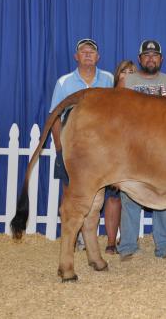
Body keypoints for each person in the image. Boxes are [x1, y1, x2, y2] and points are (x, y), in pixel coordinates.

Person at [118, 39, 166, 261]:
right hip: (133, 149)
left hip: (164, 150)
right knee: (130, 196)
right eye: (146, 55)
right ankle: (127, 246)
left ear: (161, 59)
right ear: (139, 59)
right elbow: (115, 114)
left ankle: (165, 247)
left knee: (163, 197)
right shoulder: (127, 81)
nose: (150, 58)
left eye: (154, 55)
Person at [49, 38, 113, 251]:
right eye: (83, 51)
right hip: (73, 146)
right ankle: (72, 238)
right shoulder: (64, 82)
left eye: (91, 52)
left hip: (101, 146)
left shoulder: (108, 79)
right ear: (76, 57)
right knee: (71, 192)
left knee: (98, 193)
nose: (87, 54)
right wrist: (60, 147)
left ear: (98, 57)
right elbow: (55, 115)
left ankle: (88, 239)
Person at [101, 60, 136, 255]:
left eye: (132, 71)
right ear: (118, 75)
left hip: (134, 156)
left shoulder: (140, 98)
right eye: (125, 71)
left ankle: (128, 239)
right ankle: (111, 241)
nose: (128, 74)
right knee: (113, 199)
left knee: (131, 199)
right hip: (115, 154)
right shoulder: (109, 97)